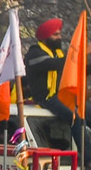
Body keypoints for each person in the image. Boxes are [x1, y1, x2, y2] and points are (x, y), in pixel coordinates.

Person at [25, 18, 89, 162]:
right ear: (45, 37)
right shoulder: (35, 54)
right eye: (55, 35)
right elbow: (55, 64)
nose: (59, 38)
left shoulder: (58, 53)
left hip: (61, 96)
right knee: (74, 117)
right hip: (46, 98)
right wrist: (81, 53)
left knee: (87, 111)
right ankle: (88, 158)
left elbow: (76, 69)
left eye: (59, 34)